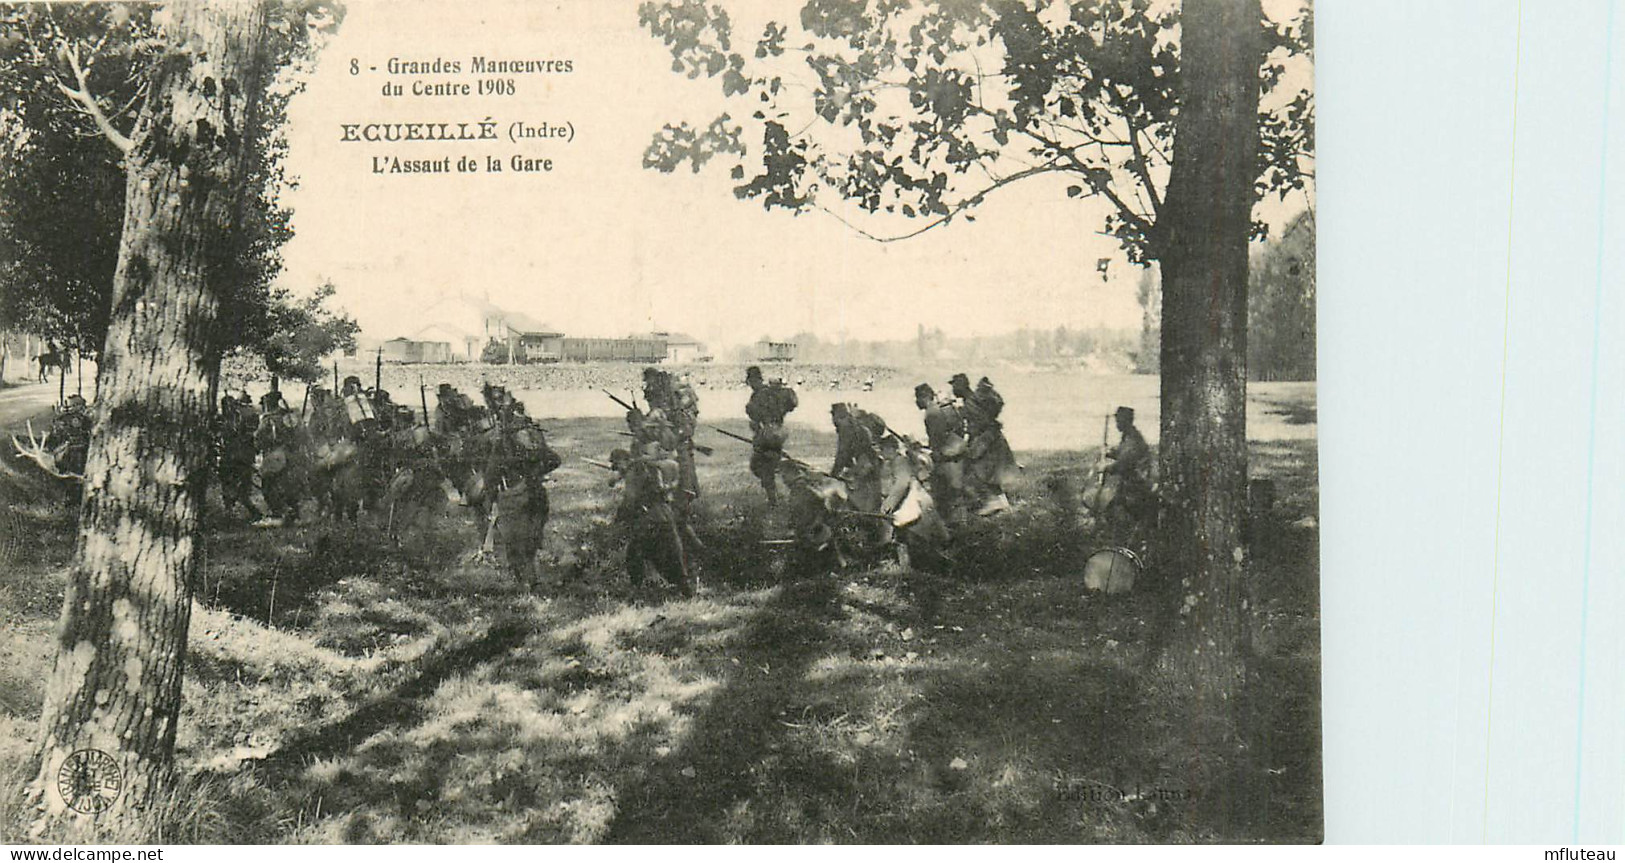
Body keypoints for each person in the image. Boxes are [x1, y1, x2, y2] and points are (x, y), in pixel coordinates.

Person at [951, 372, 1015, 515]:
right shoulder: (973, 400)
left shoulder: (970, 402)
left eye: (954, 385)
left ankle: (993, 503)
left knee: (979, 471)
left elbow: (981, 422)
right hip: (990, 439)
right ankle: (1003, 504)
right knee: (989, 473)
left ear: (960, 386)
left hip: (986, 440)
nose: (953, 390)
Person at [744, 365, 797, 504]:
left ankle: (774, 498)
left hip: (767, 435)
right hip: (778, 432)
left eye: (750, 381)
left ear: (753, 380)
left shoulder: (759, 395)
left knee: (759, 465)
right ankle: (775, 493)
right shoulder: (772, 392)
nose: (749, 385)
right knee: (767, 465)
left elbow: (755, 414)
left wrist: (757, 425)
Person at [916, 383, 967, 520]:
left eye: (918, 398)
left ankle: (956, 523)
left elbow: (937, 438)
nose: (916, 401)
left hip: (948, 455)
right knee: (955, 490)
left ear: (925, 397)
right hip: (955, 450)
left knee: (950, 491)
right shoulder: (939, 409)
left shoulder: (931, 413)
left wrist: (932, 452)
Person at [1102, 405, 1154, 531]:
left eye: (1119, 421)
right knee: (1112, 510)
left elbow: (1124, 463)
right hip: (1129, 484)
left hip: (1136, 485)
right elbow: (1122, 453)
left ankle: (1127, 540)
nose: (1117, 424)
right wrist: (1110, 452)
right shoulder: (1128, 436)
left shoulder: (1133, 439)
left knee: (1118, 513)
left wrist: (1108, 468)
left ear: (1126, 421)